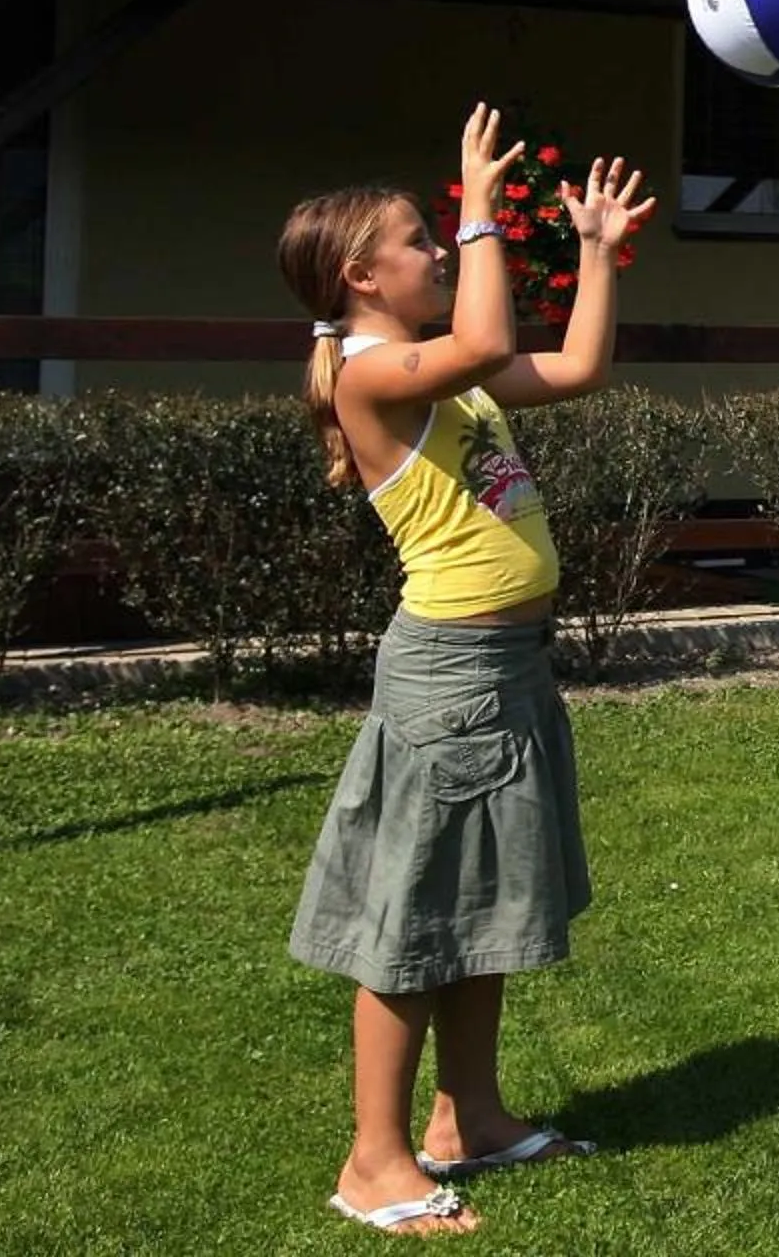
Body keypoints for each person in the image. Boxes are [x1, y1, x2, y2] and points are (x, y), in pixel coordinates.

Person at [276, 105, 656, 1235]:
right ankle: (373, 1159)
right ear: (361, 274)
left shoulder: (440, 373)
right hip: (450, 676)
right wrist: (484, 204)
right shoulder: (373, 369)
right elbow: (486, 341)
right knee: (412, 917)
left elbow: (577, 364)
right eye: (419, 239)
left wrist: (592, 250)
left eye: (444, 234)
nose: (440, 248)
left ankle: (469, 1119)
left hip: (507, 664)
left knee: (481, 905)